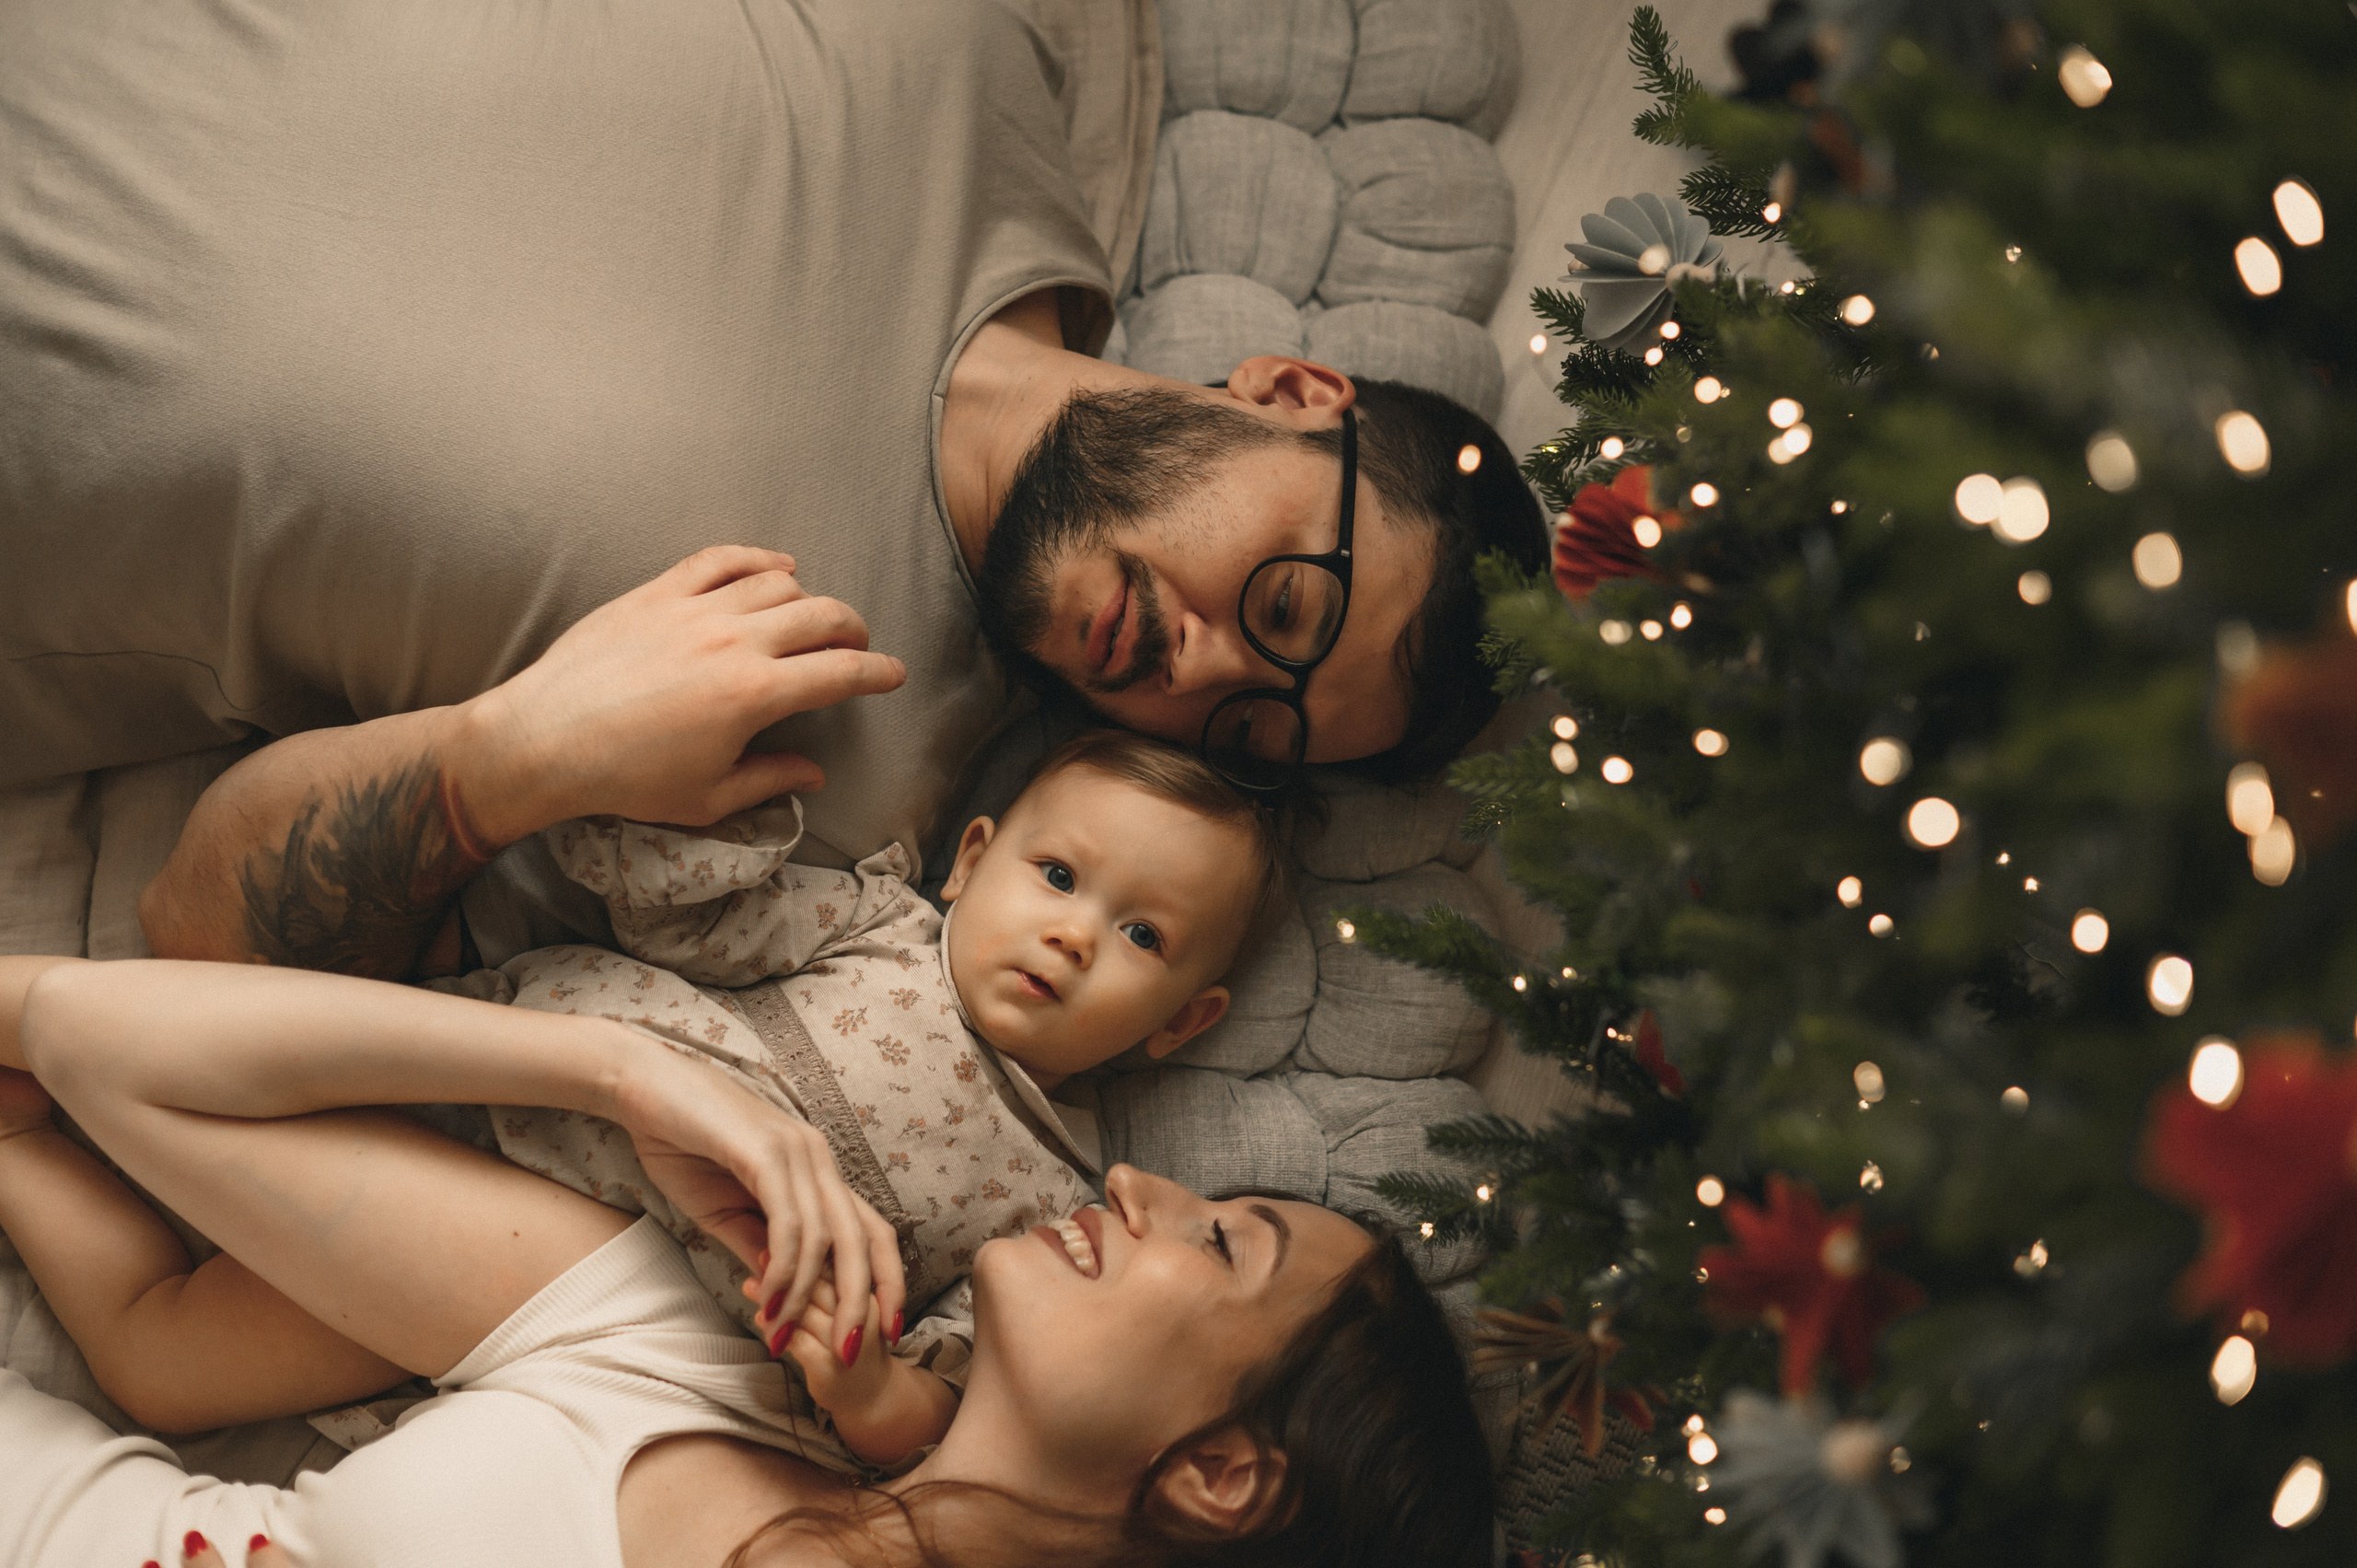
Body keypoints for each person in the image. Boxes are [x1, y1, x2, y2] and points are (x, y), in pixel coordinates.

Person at [0, 0, 1546, 976]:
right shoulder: (958, 55)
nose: (1201, 666)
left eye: (1247, 726)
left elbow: (201, 937)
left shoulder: (824, 780)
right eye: (1283, 600)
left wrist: (502, 765)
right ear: (1289, 393)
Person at [0, 955, 1494, 1568]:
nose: (1134, 1178)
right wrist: (624, 1075)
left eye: (1224, 1237)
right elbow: (87, 1038)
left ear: (1226, 1472)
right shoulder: (677, 1342)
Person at [110, 729, 1283, 1470]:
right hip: (500, 1055)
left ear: (1181, 1019)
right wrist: (699, 818)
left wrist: (870, 1388)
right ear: (971, 860)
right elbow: (690, 924)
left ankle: (19, 1132)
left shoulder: (1054, 1220)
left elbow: (951, 1392)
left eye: (1140, 933)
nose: (1074, 934)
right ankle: (77, 1063)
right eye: (1060, 876)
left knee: (165, 1356)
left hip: (549, 1265)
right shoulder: (881, 927)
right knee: (197, 1039)